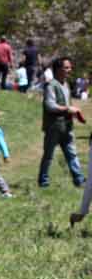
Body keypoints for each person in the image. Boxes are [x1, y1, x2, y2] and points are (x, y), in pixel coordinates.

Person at [39, 56, 86, 190]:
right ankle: (43, 181)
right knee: (48, 156)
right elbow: (50, 105)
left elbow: (66, 104)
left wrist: (74, 113)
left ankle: (79, 179)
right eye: (66, 67)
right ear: (58, 69)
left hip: (67, 126)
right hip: (54, 127)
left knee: (72, 153)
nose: (69, 70)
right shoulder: (51, 86)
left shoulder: (66, 85)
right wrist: (68, 109)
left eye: (69, 67)